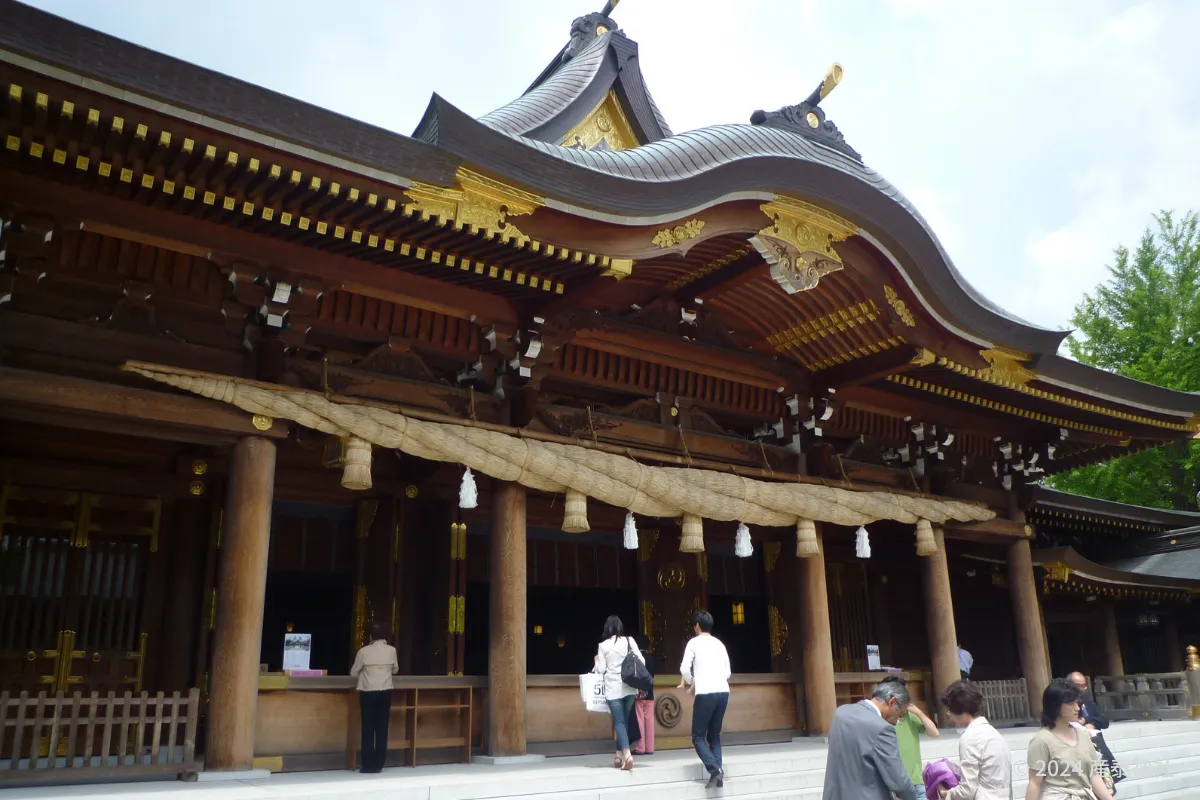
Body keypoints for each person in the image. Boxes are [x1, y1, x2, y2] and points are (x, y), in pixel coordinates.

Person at [823, 678, 918, 800]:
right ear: (892, 702)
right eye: (900, 715)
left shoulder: (840, 713)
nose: (897, 721)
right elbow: (898, 778)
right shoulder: (882, 729)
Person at [1024, 679, 1114, 800]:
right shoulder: (1041, 740)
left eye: (1077, 703)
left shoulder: (1083, 735)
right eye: (1071, 704)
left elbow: (1094, 775)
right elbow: (1035, 783)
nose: (1077, 708)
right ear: (1056, 706)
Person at [677, 610, 732, 788]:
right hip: (723, 691)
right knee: (714, 735)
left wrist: (693, 682)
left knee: (698, 737)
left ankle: (715, 770)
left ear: (698, 626)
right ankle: (718, 775)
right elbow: (728, 672)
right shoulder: (720, 644)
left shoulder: (693, 643)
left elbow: (685, 669)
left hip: (705, 693)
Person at [937, 679, 1012, 800]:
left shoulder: (970, 737)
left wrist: (944, 793)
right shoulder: (995, 734)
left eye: (950, 711)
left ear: (959, 710)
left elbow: (967, 790)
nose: (950, 717)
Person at [592, 615, 645, 771]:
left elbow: (601, 669)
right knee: (624, 722)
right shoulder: (629, 641)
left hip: (613, 688)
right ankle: (617, 756)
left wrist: (596, 661)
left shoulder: (603, 646)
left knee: (619, 722)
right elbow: (641, 661)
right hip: (629, 687)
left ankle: (627, 755)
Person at [350, 622, 399, 773]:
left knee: (368, 728)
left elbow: (353, 672)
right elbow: (395, 670)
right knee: (382, 728)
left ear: (370, 635)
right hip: (385, 692)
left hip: (368, 692)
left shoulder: (363, 652)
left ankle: (367, 765)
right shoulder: (392, 650)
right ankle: (379, 763)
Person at [883, 675, 940, 798]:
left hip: (915, 782)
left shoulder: (910, 716)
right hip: (892, 784)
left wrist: (919, 713)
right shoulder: (880, 719)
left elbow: (934, 733)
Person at [1068, 672, 1124, 791]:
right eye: (1078, 685)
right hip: (1079, 750)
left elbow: (1104, 721)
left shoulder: (1087, 702)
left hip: (1097, 749)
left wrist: (1089, 721)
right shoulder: (1065, 704)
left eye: (1084, 686)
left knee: (1107, 786)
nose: (1082, 689)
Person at [630, 632, 656, 755]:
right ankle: (650, 747)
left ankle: (640, 747)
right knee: (649, 719)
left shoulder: (637, 657)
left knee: (639, 718)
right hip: (650, 691)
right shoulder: (652, 657)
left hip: (640, 692)